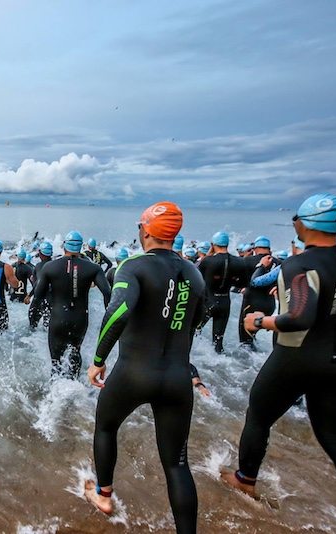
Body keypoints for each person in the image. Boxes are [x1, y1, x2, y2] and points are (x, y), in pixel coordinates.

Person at [84, 202, 205, 534]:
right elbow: (200, 318)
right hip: (178, 377)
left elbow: (118, 312)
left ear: (147, 231)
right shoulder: (194, 271)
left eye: (140, 225)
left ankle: (104, 495)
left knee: (106, 427)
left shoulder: (132, 266)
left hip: (134, 373)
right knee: (178, 464)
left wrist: (97, 360)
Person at [221, 193, 336, 497]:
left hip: (296, 357)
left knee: (258, 414)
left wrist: (260, 321)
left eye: (296, 218)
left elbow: (300, 316)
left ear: (307, 223)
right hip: (334, 359)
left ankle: (245, 479)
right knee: (331, 434)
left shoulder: (299, 265)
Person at [30, 231, 110, 378]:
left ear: (64, 246)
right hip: (80, 320)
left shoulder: (50, 267)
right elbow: (107, 293)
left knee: (56, 360)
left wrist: (33, 317)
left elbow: (38, 296)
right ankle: (75, 388)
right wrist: (109, 316)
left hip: (58, 318)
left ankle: (56, 395)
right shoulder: (94, 268)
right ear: (80, 247)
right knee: (75, 352)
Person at [198, 231, 245, 353]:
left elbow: (197, 279)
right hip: (225, 303)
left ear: (213, 244)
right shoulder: (239, 262)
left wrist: (208, 255)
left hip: (208, 302)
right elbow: (240, 284)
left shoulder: (207, 261)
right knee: (218, 342)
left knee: (195, 333)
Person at [237, 235, 279, 349]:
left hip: (252, 304)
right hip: (270, 305)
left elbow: (240, 283)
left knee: (245, 341)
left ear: (255, 249)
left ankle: (248, 366)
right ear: (269, 248)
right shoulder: (279, 262)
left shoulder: (247, 260)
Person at [24, 241, 53, 327]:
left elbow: (37, 283)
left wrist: (29, 295)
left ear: (40, 253)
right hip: (51, 300)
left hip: (38, 299)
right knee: (47, 326)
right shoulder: (56, 266)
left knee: (32, 324)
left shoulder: (38, 266)